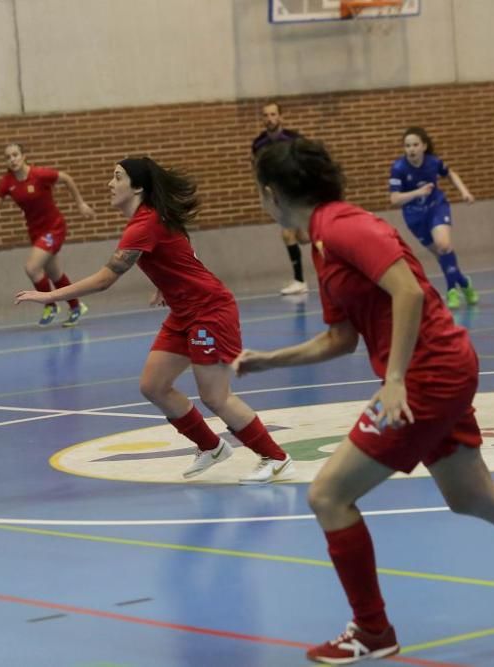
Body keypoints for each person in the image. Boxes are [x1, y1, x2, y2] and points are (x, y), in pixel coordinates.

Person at [240, 138, 494, 664]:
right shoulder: (322, 241)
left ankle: (372, 632)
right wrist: (269, 361)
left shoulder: (344, 226)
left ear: (272, 194)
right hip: (440, 369)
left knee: (327, 495)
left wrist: (394, 379)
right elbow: (339, 338)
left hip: (429, 373)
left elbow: (407, 291)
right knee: (471, 494)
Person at [15, 157, 296, 484]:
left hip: (209, 312)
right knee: (154, 385)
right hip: (183, 313)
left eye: (117, 177)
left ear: (137, 187)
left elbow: (107, 279)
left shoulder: (143, 224)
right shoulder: (151, 221)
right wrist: (166, 285)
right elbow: (178, 249)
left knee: (215, 396)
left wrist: (50, 296)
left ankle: (275, 458)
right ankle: (211, 446)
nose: (110, 183)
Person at [0, 143, 95, 327]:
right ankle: (76, 307)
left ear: (23, 156)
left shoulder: (40, 175)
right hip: (36, 232)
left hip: (54, 228)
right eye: (8, 157)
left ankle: (50, 304)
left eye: (15, 155)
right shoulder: (7, 182)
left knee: (32, 268)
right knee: (55, 274)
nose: (12, 159)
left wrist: (80, 204)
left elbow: (66, 178)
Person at [389, 127, 479, 309]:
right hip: (415, 217)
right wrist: (418, 192)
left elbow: (451, 173)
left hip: (436, 207)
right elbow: (394, 199)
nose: (411, 149)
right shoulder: (398, 168)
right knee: (442, 255)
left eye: (415, 145)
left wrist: (464, 192)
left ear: (424, 146)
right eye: (407, 146)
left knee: (444, 245)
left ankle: (451, 290)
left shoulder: (433, 162)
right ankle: (464, 283)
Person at [251, 101, 309, 296]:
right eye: (266, 115)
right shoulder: (258, 144)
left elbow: (306, 164)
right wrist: (263, 192)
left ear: (280, 116)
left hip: (298, 193)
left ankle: (300, 280)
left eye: (273, 114)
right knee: (302, 237)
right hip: (279, 197)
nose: (270, 119)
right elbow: (258, 170)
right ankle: (301, 279)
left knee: (292, 235)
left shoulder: (294, 140)